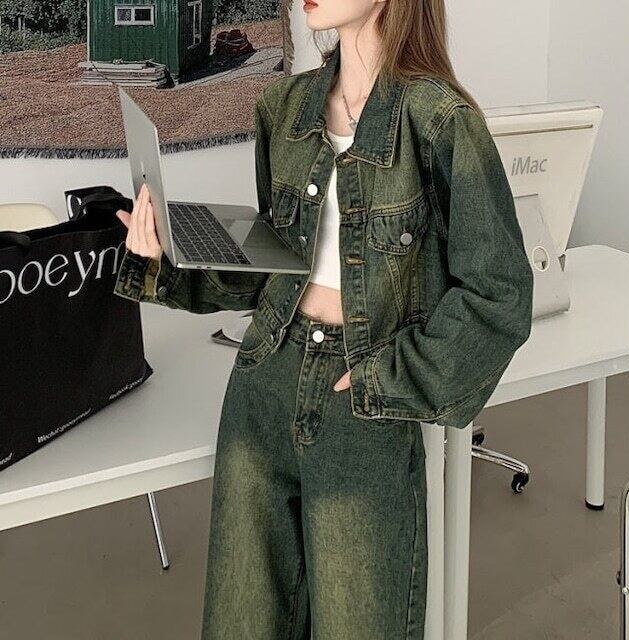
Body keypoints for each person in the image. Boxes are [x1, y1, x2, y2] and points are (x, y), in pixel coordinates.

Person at [114, 0, 534, 637]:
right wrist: (164, 259)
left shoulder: (441, 122)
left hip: (359, 403)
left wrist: (388, 379)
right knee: (241, 621)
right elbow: (271, 268)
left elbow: (498, 294)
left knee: (357, 624)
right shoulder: (284, 108)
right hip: (263, 385)